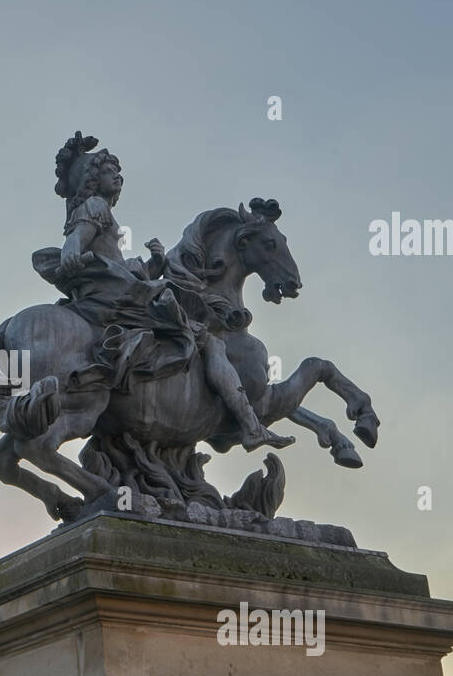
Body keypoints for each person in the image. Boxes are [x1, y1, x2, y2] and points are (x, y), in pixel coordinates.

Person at [35, 132, 291, 451]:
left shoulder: (98, 210)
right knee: (209, 341)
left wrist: (155, 262)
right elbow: (74, 243)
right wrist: (72, 252)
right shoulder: (96, 206)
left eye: (118, 170)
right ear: (92, 179)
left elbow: (115, 263)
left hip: (121, 288)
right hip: (118, 296)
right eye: (108, 171)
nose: (118, 176)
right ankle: (251, 427)